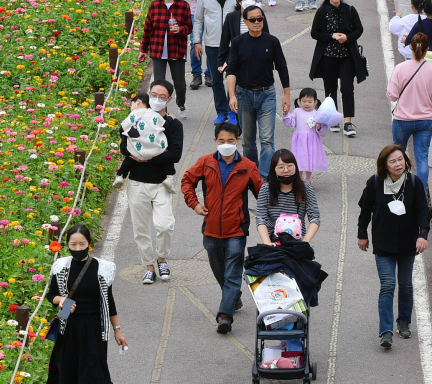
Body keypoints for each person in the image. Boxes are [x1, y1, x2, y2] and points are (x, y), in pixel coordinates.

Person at [180, 121, 264, 334]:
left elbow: (261, 193)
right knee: (219, 270)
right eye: (221, 140)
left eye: (230, 140)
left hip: (236, 229)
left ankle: (224, 315)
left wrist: (271, 215)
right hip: (210, 228)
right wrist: (195, 203)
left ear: (237, 141)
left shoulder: (248, 166)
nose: (226, 144)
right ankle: (234, 297)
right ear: (215, 141)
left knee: (233, 272)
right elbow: (187, 181)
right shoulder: (205, 162)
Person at [357, 145, 432, 349]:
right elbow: (365, 211)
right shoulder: (374, 183)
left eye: (400, 159)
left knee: (406, 284)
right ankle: (386, 331)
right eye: (393, 161)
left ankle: (404, 321)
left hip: (408, 244)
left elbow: (423, 212)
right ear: (384, 165)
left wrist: (422, 235)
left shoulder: (414, 183)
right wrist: (362, 235)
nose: (398, 164)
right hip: (383, 244)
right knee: (388, 285)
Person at [116, 84, 183, 285]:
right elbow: (123, 146)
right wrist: (137, 154)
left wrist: (146, 158)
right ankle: (148, 266)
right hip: (137, 183)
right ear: (148, 96)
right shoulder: (134, 119)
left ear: (169, 99)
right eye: (154, 95)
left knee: (165, 225)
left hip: (161, 184)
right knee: (141, 228)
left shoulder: (172, 124)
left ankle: (162, 258)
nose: (157, 99)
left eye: (162, 96)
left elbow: (175, 154)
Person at [44, 225, 128, 382]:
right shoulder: (62, 267)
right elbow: (51, 295)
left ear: (89, 243)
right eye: (73, 245)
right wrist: (62, 300)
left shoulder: (102, 268)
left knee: (94, 374)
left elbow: (109, 301)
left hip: (93, 329)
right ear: (67, 244)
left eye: (82, 244)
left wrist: (117, 330)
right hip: (67, 327)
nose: (77, 248)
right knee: (66, 372)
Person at [225, 4, 292, 177]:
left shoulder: (272, 41)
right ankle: (251, 172)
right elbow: (231, 70)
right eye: (253, 19)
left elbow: (282, 68)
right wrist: (232, 96)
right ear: (245, 21)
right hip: (244, 95)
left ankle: (264, 179)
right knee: (248, 141)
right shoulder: (238, 42)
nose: (257, 22)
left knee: (267, 140)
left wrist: (286, 95)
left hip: (267, 95)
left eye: (260, 19)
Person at [387, 33, 432, 190]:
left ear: (410, 47)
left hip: (402, 120)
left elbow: (392, 95)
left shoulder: (400, 68)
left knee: (397, 156)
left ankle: (398, 188)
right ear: (427, 49)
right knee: (422, 158)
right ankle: (420, 194)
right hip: (425, 121)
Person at [309, 0, 366, 136]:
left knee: (347, 88)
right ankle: (333, 119)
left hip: (347, 56)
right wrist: (331, 36)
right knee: (330, 88)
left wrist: (347, 38)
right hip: (328, 56)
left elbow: (359, 29)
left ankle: (347, 122)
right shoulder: (322, 12)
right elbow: (314, 33)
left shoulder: (349, 10)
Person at [139, 0, 191, 116]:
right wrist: (143, 50)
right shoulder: (154, 6)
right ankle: (162, 112)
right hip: (158, 51)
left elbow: (189, 27)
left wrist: (180, 29)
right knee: (158, 84)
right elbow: (148, 29)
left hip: (177, 50)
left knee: (180, 84)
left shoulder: (183, 6)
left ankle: (181, 103)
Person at [192, 0, 238, 118]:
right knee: (217, 81)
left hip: (234, 45)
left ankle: (233, 112)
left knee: (234, 80)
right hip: (212, 45)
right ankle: (222, 112)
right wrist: (196, 41)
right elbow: (198, 19)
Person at [256, 148, 321, 243]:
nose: (286, 170)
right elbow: (261, 218)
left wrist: (305, 241)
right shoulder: (266, 189)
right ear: (274, 169)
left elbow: (315, 217)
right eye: (281, 167)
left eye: (290, 166)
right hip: (273, 240)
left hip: (297, 240)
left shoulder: (305, 189)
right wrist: (268, 243)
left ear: (296, 167)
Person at [283, 88, 342, 181]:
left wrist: (319, 126)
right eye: (304, 101)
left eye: (310, 101)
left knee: (309, 161)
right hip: (299, 141)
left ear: (315, 102)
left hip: (312, 141)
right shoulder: (297, 111)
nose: (306, 104)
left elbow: (322, 132)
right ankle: (298, 179)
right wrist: (286, 114)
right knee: (299, 160)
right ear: (299, 101)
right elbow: (290, 123)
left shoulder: (317, 114)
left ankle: (307, 178)